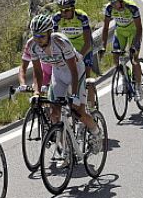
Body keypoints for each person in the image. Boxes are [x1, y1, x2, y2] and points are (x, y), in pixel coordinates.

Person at [18, 14, 104, 157]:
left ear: (49, 33)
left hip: (75, 70)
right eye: (35, 35)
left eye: (41, 36)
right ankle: (67, 150)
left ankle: (96, 132)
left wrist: (75, 95)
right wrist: (37, 93)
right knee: (54, 113)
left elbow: (74, 71)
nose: (38, 40)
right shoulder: (32, 45)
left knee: (78, 111)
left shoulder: (61, 41)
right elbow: (37, 72)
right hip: (57, 72)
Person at [99, 0, 143, 101]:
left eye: (115, 2)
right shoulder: (109, 9)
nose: (113, 5)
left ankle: (138, 86)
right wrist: (103, 46)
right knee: (115, 58)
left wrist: (134, 45)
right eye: (111, 2)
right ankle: (124, 75)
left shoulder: (132, 8)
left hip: (133, 31)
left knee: (134, 59)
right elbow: (105, 28)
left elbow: (139, 28)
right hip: (120, 32)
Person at [52, 0, 97, 109]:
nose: (63, 13)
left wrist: (80, 55)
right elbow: (53, 38)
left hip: (84, 48)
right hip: (68, 47)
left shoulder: (82, 17)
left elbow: (88, 42)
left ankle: (91, 107)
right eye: (61, 10)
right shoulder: (57, 18)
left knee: (86, 78)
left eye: (66, 10)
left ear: (73, 8)